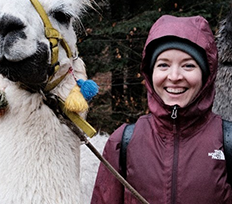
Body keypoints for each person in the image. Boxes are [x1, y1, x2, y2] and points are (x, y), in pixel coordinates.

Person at [91, 15, 232, 204]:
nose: (174, 76)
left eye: (188, 65)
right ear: (150, 73)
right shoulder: (123, 142)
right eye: (163, 65)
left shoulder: (227, 141)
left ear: (206, 75)